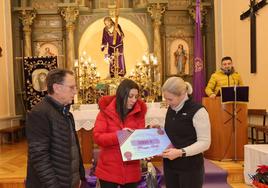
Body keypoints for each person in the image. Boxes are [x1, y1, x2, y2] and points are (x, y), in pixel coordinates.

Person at [26, 69, 86, 188]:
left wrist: (79, 177)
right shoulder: (40, 113)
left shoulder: (66, 113)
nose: (75, 91)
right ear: (57, 88)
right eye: (71, 87)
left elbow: (72, 150)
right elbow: (40, 157)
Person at [93, 79, 147, 188]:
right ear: (122, 95)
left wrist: (147, 145)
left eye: (136, 97)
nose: (134, 100)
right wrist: (119, 135)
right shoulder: (105, 111)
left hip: (131, 170)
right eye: (130, 96)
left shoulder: (139, 113)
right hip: (109, 169)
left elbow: (140, 139)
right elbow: (98, 137)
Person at [161, 76, 211, 188]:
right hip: (170, 166)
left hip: (190, 168)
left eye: (170, 99)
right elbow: (176, 131)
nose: (167, 103)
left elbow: (205, 142)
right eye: (165, 99)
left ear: (183, 94)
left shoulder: (198, 111)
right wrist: (158, 128)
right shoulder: (171, 108)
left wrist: (180, 152)